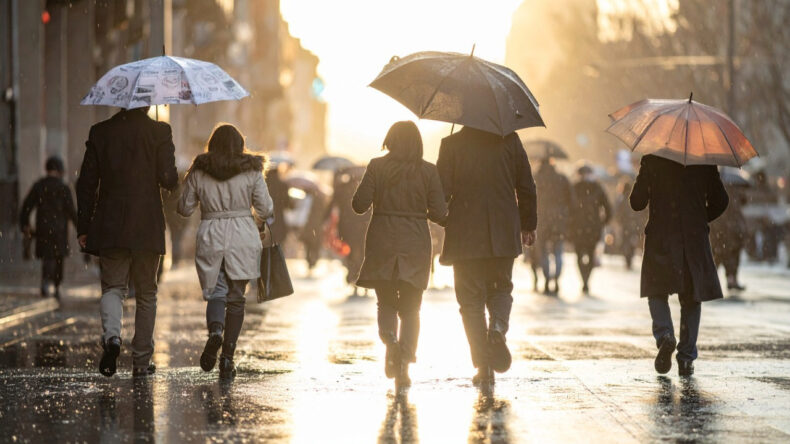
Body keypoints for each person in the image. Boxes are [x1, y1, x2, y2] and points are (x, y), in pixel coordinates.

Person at [77, 106, 178, 378]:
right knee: (147, 294)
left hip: (110, 224)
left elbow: (86, 184)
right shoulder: (159, 131)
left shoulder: (101, 132)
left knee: (113, 288)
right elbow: (169, 179)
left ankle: (112, 339)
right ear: (147, 104)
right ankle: (142, 361)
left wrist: (83, 226)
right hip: (146, 224)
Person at [437, 126, 537, 386]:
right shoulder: (510, 141)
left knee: (470, 302)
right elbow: (526, 185)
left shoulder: (451, 144)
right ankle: (498, 328)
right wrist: (528, 224)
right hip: (503, 231)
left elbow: (441, 192)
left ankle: (483, 366)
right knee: (501, 289)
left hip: (465, 234)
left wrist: (441, 212)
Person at [352, 121, 447, 387]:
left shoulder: (376, 166)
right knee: (411, 309)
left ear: (390, 140)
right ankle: (403, 363)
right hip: (415, 242)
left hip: (382, 239)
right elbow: (440, 214)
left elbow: (359, 205)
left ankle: (390, 341)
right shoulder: (428, 171)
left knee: (386, 304)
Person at [178, 124, 273, 379]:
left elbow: (184, 208)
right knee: (237, 297)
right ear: (240, 145)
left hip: (211, 233)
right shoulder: (252, 170)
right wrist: (259, 223)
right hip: (243, 233)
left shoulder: (200, 169)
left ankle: (215, 332)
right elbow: (265, 208)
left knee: (216, 292)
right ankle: (228, 357)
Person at [630, 154, 728, 377]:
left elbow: (637, 203)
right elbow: (721, 200)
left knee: (656, 290)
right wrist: (700, 217)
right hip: (694, 238)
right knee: (692, 297)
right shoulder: (704, 160)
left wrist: (643, 175)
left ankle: (665, 335)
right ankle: (686, 358)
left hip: (661, 236)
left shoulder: (653, 158)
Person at [19, 156, 77, 299]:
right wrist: (82, 231)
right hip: (59, 230)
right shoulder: (63, 188)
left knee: (47, 256)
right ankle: (57, 285)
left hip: (43, 229)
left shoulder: (39, 186)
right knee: (58, 258)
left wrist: (25, 224)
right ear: (59, 170)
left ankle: (45, 282)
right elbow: (72, 212)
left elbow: (26, 207)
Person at [329, 165, 370, 296]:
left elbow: (332, 204)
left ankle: (353, 276)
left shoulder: (342, 188)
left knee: (351, 253)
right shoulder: (368, 189)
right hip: (364, 228)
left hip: (347, 228)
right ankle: (362, 279)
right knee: (363, 254)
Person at [534, 158, 573, 295]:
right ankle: (556, 279)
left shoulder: (537, 178)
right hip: (559, 220)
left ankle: (546, 278)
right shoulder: (562, 178)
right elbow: (571, 201)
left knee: (543, 251)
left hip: (541, 220)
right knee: (558, 251)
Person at [570, 165, 611, 294]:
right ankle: (586, 280)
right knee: (590, 254)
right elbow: (608, 208)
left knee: (579, 255)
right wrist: (603, 222)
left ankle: (584, 279)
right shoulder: (598, 188)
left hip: (578, 228)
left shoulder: (574, 187)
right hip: (593, 228)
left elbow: (568, 207)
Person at [710, 185, 748, 291]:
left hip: (722, 229)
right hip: (728, 229)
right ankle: (730, 279)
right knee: (726, 256)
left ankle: (726, 280)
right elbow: (743, 202)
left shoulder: (721, 187)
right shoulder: (733, 189)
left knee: (720, 256)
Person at [615, 181, 644, 270]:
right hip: (634, 225)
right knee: (632, 242)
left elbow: (618, 212)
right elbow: (639, 212)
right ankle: (629, 258)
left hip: (625, 225)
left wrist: (620, 221)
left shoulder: (622, 199)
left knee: (625, 242)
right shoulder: (634, 197)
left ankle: (627, 259)